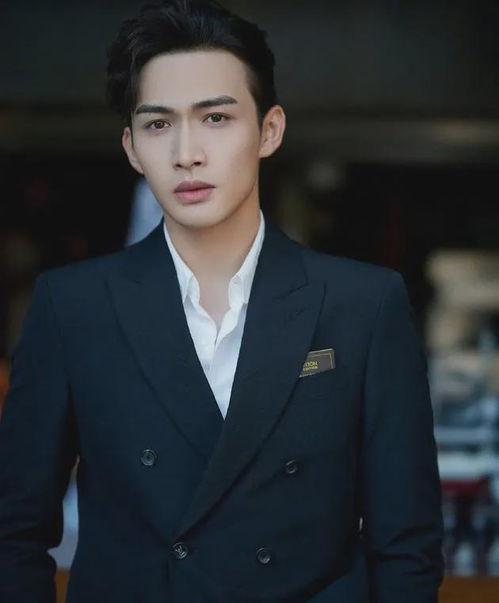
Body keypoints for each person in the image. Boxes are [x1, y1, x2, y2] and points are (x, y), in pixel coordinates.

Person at [0, 1, 444, 601]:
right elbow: (14, 532)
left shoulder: (363, 304)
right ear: (131, 147)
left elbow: (407, 544)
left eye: (215, 118)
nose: (187, 153)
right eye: (159, 124)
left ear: (269, 131)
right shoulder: (72, 307)